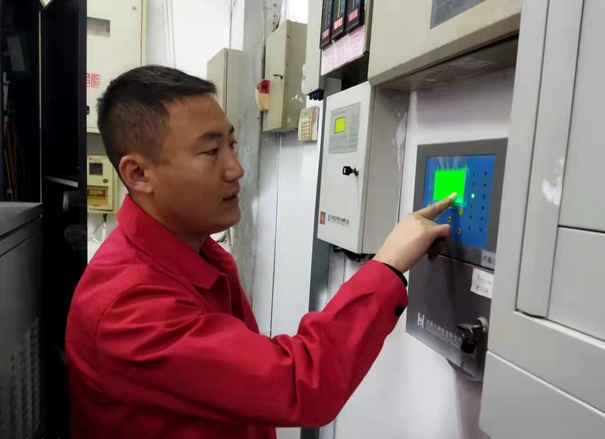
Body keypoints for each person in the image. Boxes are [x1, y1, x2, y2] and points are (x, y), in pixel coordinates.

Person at [65, 65, 455, 439]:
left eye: (231, 145)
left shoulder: (196, 254)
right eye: (211, 151)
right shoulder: (129, 307)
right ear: (138, 174)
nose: (236, 168)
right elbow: (300, 383)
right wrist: (387, 266)